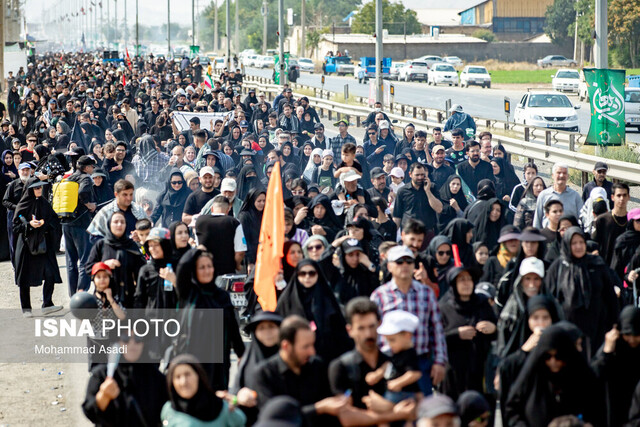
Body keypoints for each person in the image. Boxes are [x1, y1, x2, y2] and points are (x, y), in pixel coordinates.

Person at [371, 245, 447, 396]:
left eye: (409, 261)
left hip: (421, 363)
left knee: (422, 413)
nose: (405, 265)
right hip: (389, 363)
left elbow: (436, 329)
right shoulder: (379, 296)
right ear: (389, 266)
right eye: (399, 262)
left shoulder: (426, 293)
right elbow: (373, 332)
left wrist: (439, 362)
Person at [247, 315, 350, 426]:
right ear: (286, 346)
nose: (312, 352)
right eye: (305, 347)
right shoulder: (264, 374)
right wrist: (318, 409)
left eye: (312, 345)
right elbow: (274, 418)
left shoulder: (317, 366)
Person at [173, 248, 245, 391]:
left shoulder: (222, 296)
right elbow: (182, 266)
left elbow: (232, 327)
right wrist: (196, 251)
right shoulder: (188, 293)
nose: (206, 271)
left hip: (218, 361)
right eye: (201, 267)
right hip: (192, 358)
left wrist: (241, 354)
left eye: (209, 266)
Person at [504, 325, 604, 426]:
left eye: (558, 356)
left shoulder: (582, 378)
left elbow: (596, 409)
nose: (553, 361)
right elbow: (512, 410)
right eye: (547, 356)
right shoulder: (531, 378)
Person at [544, 226, 619, 357]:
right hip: (567, 328)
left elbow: (610, 297)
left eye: (581, 242)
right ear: (567, 244)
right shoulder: (558, 267)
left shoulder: (597, 264)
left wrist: (614, 325)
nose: (578, 246)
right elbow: (549, 298)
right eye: (574, 243)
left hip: (596, 327)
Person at [496, 295, 560, 427]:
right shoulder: (520, 346)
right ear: (528, 320)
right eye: (535, 318)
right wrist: (526, 350)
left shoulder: (559, 347)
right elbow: (507, 368)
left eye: (545, 318)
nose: (541, 323)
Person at [82, 332, 168, 426]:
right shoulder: (102, 375)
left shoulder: (156, 378)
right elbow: (90, 412)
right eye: (126, 338)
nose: (132, 344)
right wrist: (103, 396)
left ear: (144, 342)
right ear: (118, 341)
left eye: (138, 338)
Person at [276, 260, 353, 363]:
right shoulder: (287, 300)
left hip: (327, 355)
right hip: (295, 356)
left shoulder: (327, 297)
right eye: (302, 273)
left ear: (318, 274)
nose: (307, 277)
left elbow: (339, 330)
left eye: (311, 273)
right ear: (297, 275)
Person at [438, 266, 497, 400]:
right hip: (453, 372)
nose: (466, 283)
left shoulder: (482, 304)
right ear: (454, 284)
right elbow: (435, 337)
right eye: (461, 280)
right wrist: (456, 334)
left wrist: (492, 328)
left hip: (478, 369)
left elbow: (497, 330)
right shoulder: (444, 307)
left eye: (469, 279)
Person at [13, 180, 63, 317]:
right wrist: (29, 224)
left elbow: (54, 219)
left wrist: (44, 223)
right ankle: (26, 309)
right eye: (36, 188)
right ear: (29, 190)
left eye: (40, 187)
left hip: (43, 243)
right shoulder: (23, 205)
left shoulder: (44, 203)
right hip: (26, 245)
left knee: (50, 273)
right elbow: (15, 226)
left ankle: (47, 304)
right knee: (24, 277)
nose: (39, 189)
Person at [162, 354, 247, 426]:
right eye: (178, 377)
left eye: (187, 374)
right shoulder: (169, 410)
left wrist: (235, 401)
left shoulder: (222, 409)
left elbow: (241, 421)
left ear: (199, 376)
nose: (183, 382)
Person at [86, 211, 146, 308]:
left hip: (129, 297)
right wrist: (104, 265)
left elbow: (141, 270)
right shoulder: (101, 245)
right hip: (105, 297)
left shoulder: (131, 245)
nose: (119, 225)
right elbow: (88, 268)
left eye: (122, 222)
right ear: (109, 225)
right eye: (116, 222)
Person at [592, 306, 640, 427]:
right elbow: (594, 375)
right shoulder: (613, 348)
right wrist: (606, 352)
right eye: (627, 334)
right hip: (614, 410)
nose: (632, 339)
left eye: (636, 334)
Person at [367, 310, 423, 403]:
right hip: (394, 392)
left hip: (405, 394)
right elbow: (390, 364)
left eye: (392, 340)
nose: (390, 344)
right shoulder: (397, 352)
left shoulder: (409, 354)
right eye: (388, 341)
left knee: (383, 406)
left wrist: (398, 383)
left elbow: (415, 374)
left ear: (407, 335)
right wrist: (378, 374)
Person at [63, 155, 97, 295]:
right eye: (92, 166)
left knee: (71, 261)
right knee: (85, 259)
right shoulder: (85, 178)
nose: (93, 169)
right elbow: (82, 192)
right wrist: (89, 204)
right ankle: (81, 293)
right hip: (80, 222)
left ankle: (73, 295)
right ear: (86, 167)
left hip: (66, 222)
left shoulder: (69, 177)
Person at [195, 195, 246, 277]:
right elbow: (240, 252)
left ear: (212, 209)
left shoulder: (200, 221)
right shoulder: (234, 223)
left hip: (204, 272)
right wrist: (236, 266)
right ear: (228, 209)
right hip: (227, 273)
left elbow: (197, 246)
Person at [393, 162, 443, 238]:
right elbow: (397, 216)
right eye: (417, 175)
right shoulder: (402, 191)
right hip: (409, 233)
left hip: (427, 232)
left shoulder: (432, 188)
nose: (420, 177)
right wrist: (393, 237)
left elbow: (439, 209)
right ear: (410, 174)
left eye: (422, 175)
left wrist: (428, 191)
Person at [533, 163, 583, 229]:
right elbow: (537, 221)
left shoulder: (575, 196)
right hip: (548, 237)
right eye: (558, 173)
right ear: (553, 176)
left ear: (568, 176)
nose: (561, 175)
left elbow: (582, 220)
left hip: (568, 236)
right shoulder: (543, 195)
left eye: (564, 173)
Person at [592, 182, 629, 267]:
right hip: (607, 268)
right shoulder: (602, 220)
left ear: (628, 197)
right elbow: (594, 243)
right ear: (612, 197)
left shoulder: (632, 220)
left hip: (627, 270)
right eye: (618, 195)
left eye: (624, 195)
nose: (622, 198)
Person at [237, 188, 265, 267]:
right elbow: (244, 240)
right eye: (259, 201)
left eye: (264, 201)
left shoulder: (264, 214)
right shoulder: (244, 216)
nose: (262, 203)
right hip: (250, 258)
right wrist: (250, 262)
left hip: (263, 256)